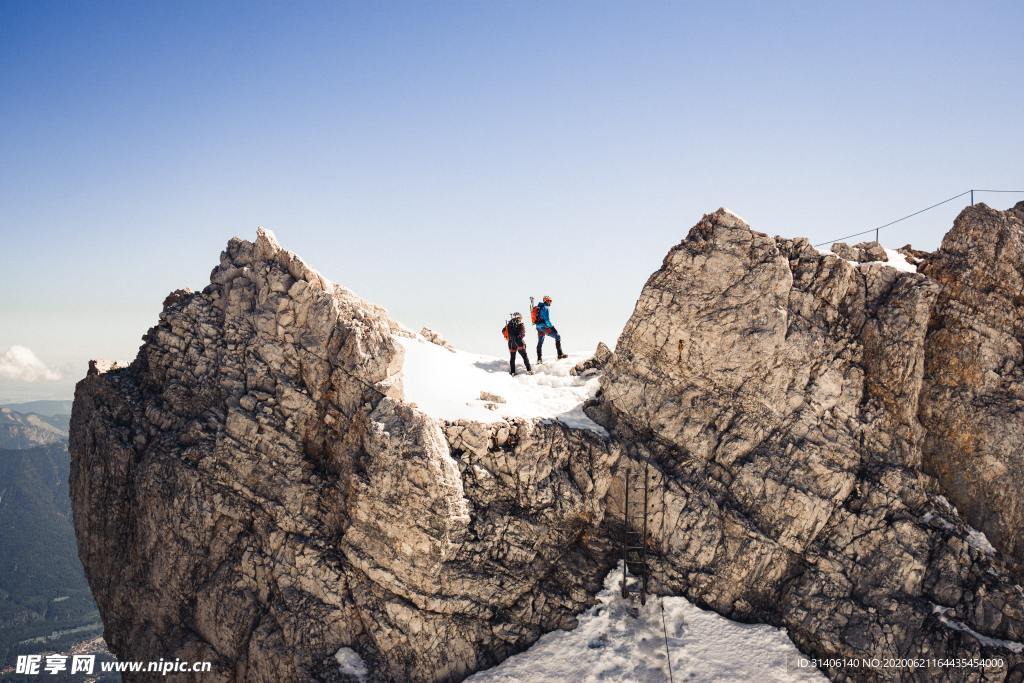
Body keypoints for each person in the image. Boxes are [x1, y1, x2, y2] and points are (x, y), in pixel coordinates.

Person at [532, 295, 567, 363]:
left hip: (538, 327)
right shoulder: (545, 308)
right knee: (557, 336)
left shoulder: (539, 307)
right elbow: (546, 320)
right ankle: (560, 354)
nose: (550, 302)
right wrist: (552, 327)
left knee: (540, 342)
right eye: (549, 301)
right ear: (546, 301)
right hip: (544, 327)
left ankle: (539, 359)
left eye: (550, 301)